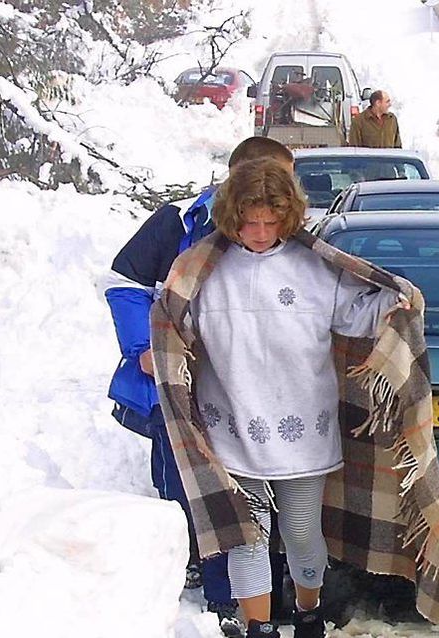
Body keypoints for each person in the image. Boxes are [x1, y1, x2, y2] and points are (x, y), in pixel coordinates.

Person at [150, 157, 439, 637]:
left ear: (288, 216)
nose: (259, 231)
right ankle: (257, 627)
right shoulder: (200, 272)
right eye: (250, 221)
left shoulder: (314, 268)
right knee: (247, 538)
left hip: (303, 426)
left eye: (270, 221)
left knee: (299, 531)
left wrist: (392, 303)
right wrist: (162, 351)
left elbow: (356, 314)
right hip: (230, 426)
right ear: (232, 215)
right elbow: (175, 324)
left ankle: (307, 610)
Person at [104, 136, 296, 636]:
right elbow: (120, 282)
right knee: (191, 487)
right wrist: (142, 348)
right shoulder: (178, 225)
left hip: (254, 391)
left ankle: (242, 593)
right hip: (183, 385)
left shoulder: (286, 232)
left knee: (249, 491)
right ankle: (212, 591)